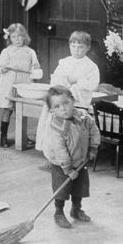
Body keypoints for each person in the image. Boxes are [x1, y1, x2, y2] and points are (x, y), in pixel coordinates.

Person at [41, 86, 100, 228]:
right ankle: (59, 212)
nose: (63, 108)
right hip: (61, 165)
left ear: (73, 101)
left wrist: (93, 148)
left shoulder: (83, 117)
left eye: (66, 103)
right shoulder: (56, 127)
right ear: (51, 110)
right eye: (57, 106)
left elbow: (94, 130)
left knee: (80, 187)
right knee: (62, 189)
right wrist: (68, 170)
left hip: (80, 160)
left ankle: (76, 209)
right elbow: (60, 150)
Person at [36, 31, 99, 152]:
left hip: (77, 104)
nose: (76, 50)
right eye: (73, 46)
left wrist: (77, 82)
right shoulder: (64, 62)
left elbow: (93, 86)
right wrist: (68, 79)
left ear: (88, 48)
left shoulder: (91, 66)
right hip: (59, 103)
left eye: (81, 47)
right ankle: (53, 156)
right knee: (53, 130)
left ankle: (71, 159)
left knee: (71, 135)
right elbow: (55, 81)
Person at [0, 23, 42, 148]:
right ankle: (3, 136)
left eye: (20, 37)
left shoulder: (30, 52)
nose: (17, 40)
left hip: (24, 84)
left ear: (25, 37)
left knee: (22, 110)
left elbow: (36, 66)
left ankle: (22, 136)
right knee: (8, 109)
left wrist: (35, 68)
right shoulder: (6, 52)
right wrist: (7, 67)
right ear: (9, 38)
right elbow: (1, 68)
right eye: (14, 37)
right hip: (10, 84)